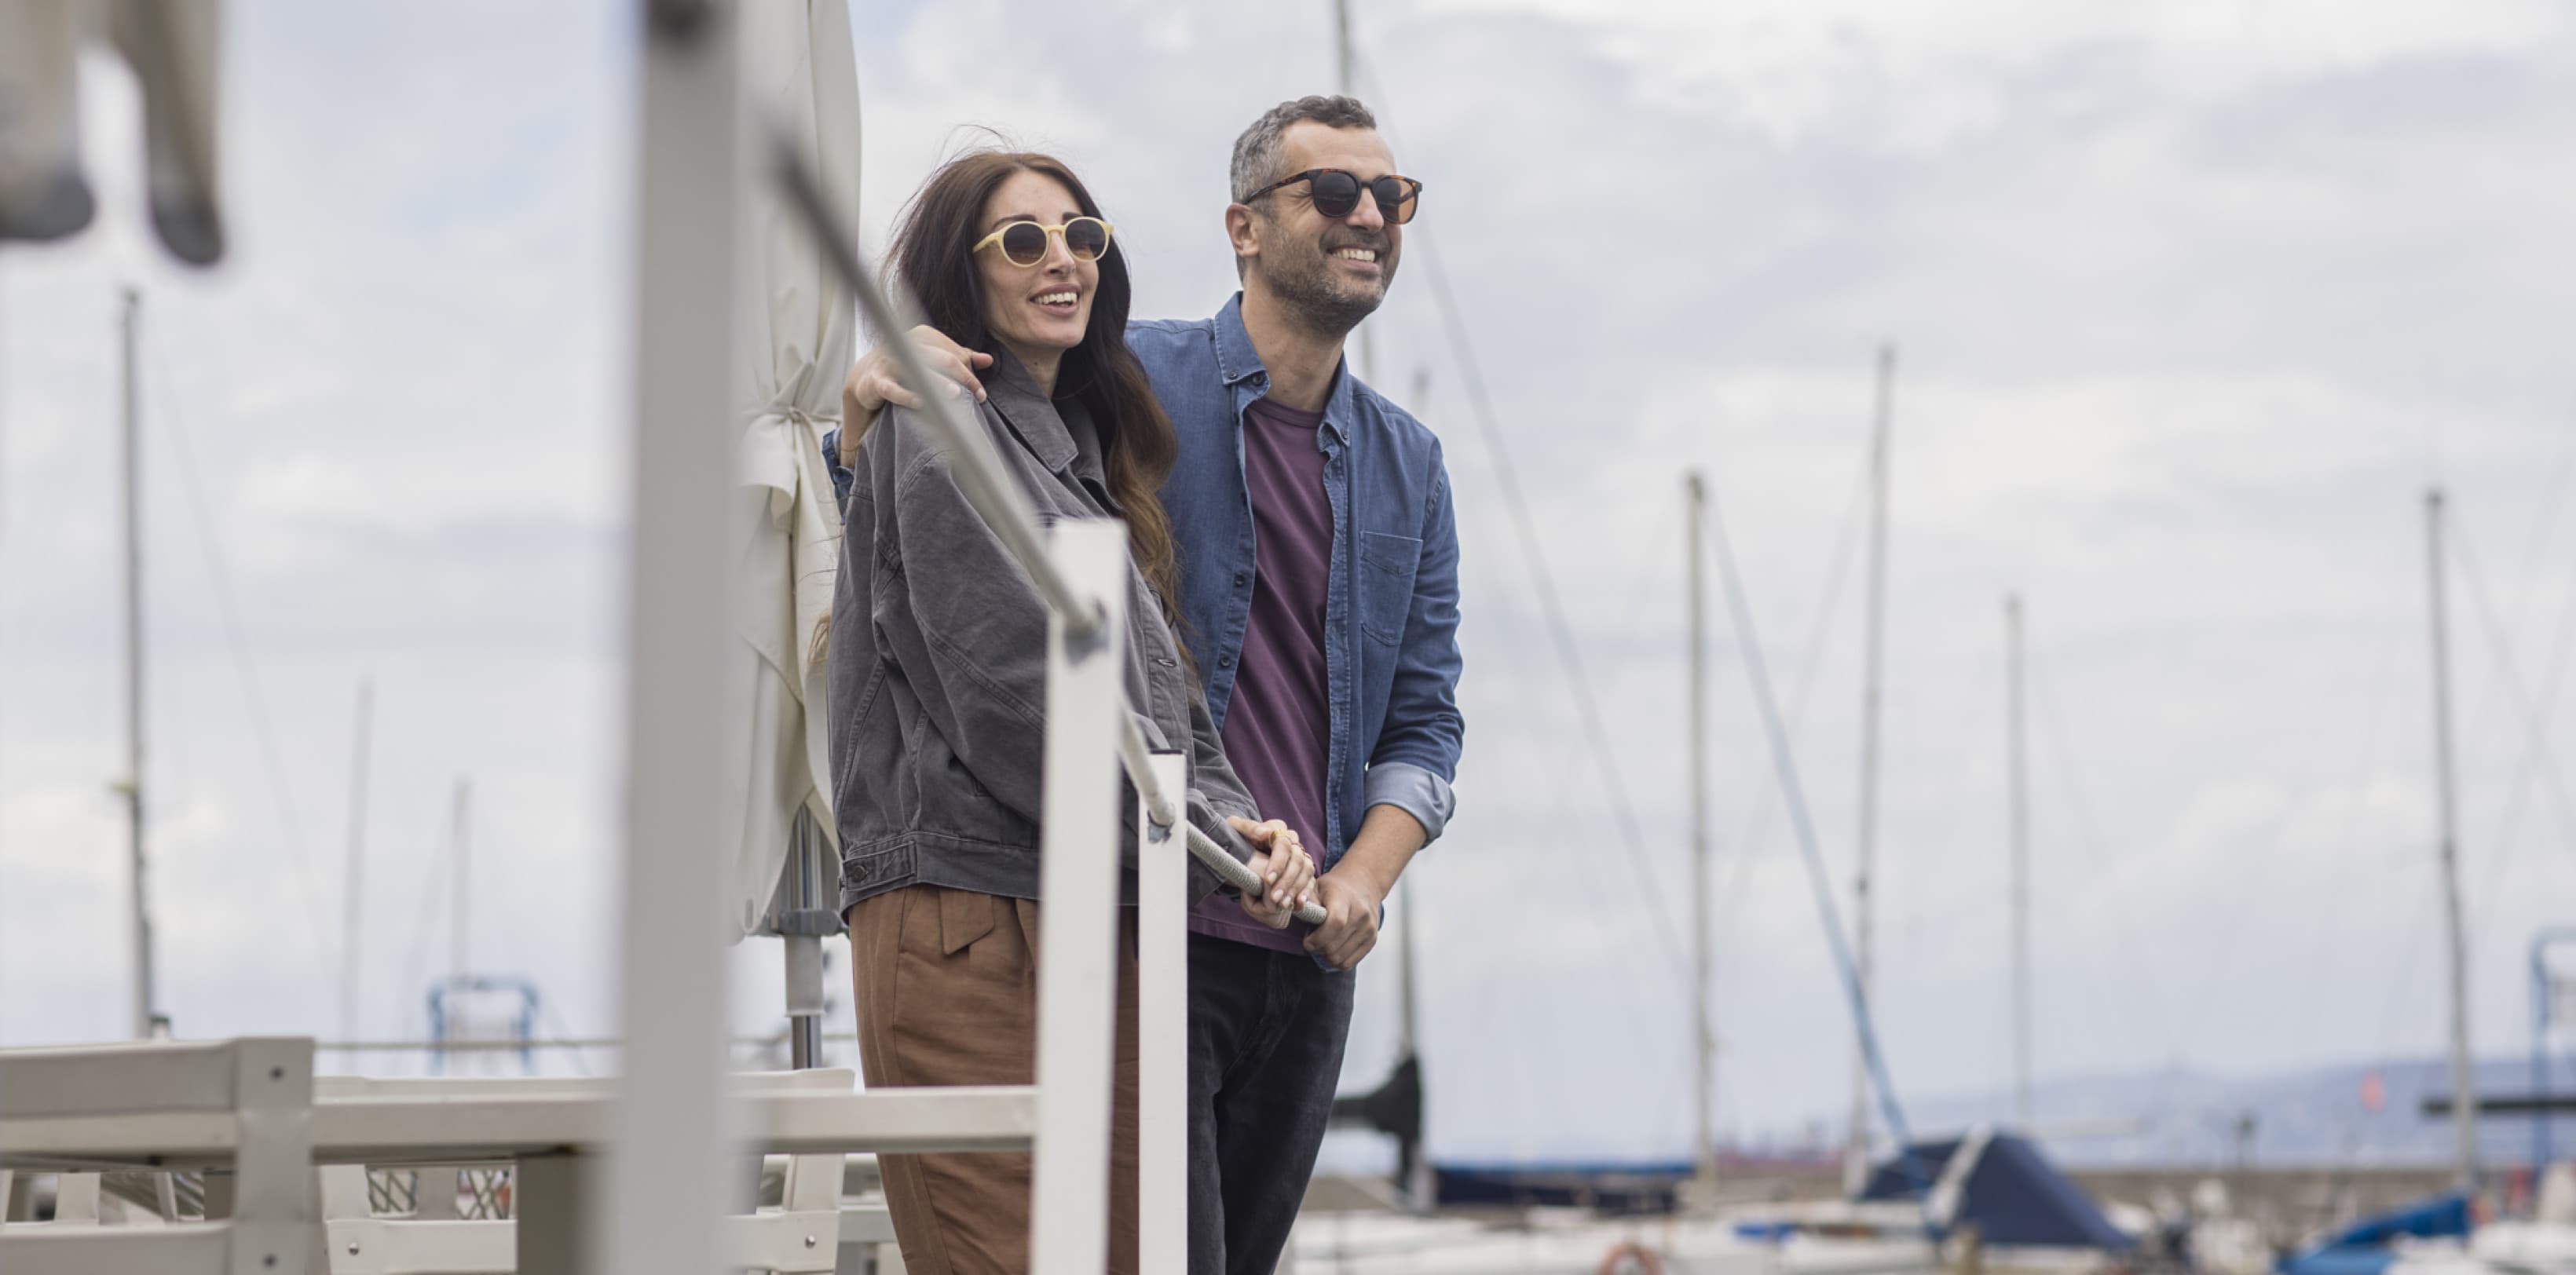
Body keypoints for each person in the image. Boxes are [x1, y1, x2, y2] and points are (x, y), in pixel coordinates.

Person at [841, 96, 1465, 1275]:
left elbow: (1423, 720)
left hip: (1297, 942)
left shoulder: (1410, 465)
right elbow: (948, 537)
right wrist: (864, 397)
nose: (1370, 216)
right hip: (1143, 925)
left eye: (1394, 196)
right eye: (1336, 192)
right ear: (1245, 225)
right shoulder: (1120, 383)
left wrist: (1354, 885)